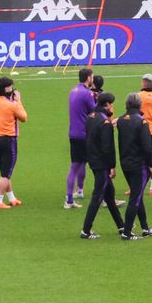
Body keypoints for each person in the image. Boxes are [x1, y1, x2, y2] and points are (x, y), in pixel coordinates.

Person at [79, 92, 125, 240]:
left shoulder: (91, 117)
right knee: (98, 196)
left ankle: (121, 226)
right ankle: (86, 230)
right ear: (107, 105)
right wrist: (112, 166)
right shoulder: (105, 123)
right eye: (112, 104)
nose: (112, 107)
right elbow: (108, 148)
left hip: (93, 160)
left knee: (109, 195)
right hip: (102, 164)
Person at [117, 92, 152, 240]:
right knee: (135, 197)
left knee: (137, 194)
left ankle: (145, 227)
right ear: (140, 104)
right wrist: (151, 164)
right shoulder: (142, 122)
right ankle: (127, 232)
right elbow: (147, 147)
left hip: (125, 163)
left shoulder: (121, 120)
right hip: (139, 165)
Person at [0, 77, 27, 210]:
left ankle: (11, 198)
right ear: (6, 89)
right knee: (6, 174)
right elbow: (24, 117)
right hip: (9, 140)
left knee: (4, 170)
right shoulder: (12, 105)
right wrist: (18, 101)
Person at [65, 68, 96, 209]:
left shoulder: (73, 91)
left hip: (73, 133)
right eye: (92, 77)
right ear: (88, 78)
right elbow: (94, 111)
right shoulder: (87, 93)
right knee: (95, 165)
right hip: (84, 134)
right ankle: (102, 196)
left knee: (79, 163)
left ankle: (77, 193)